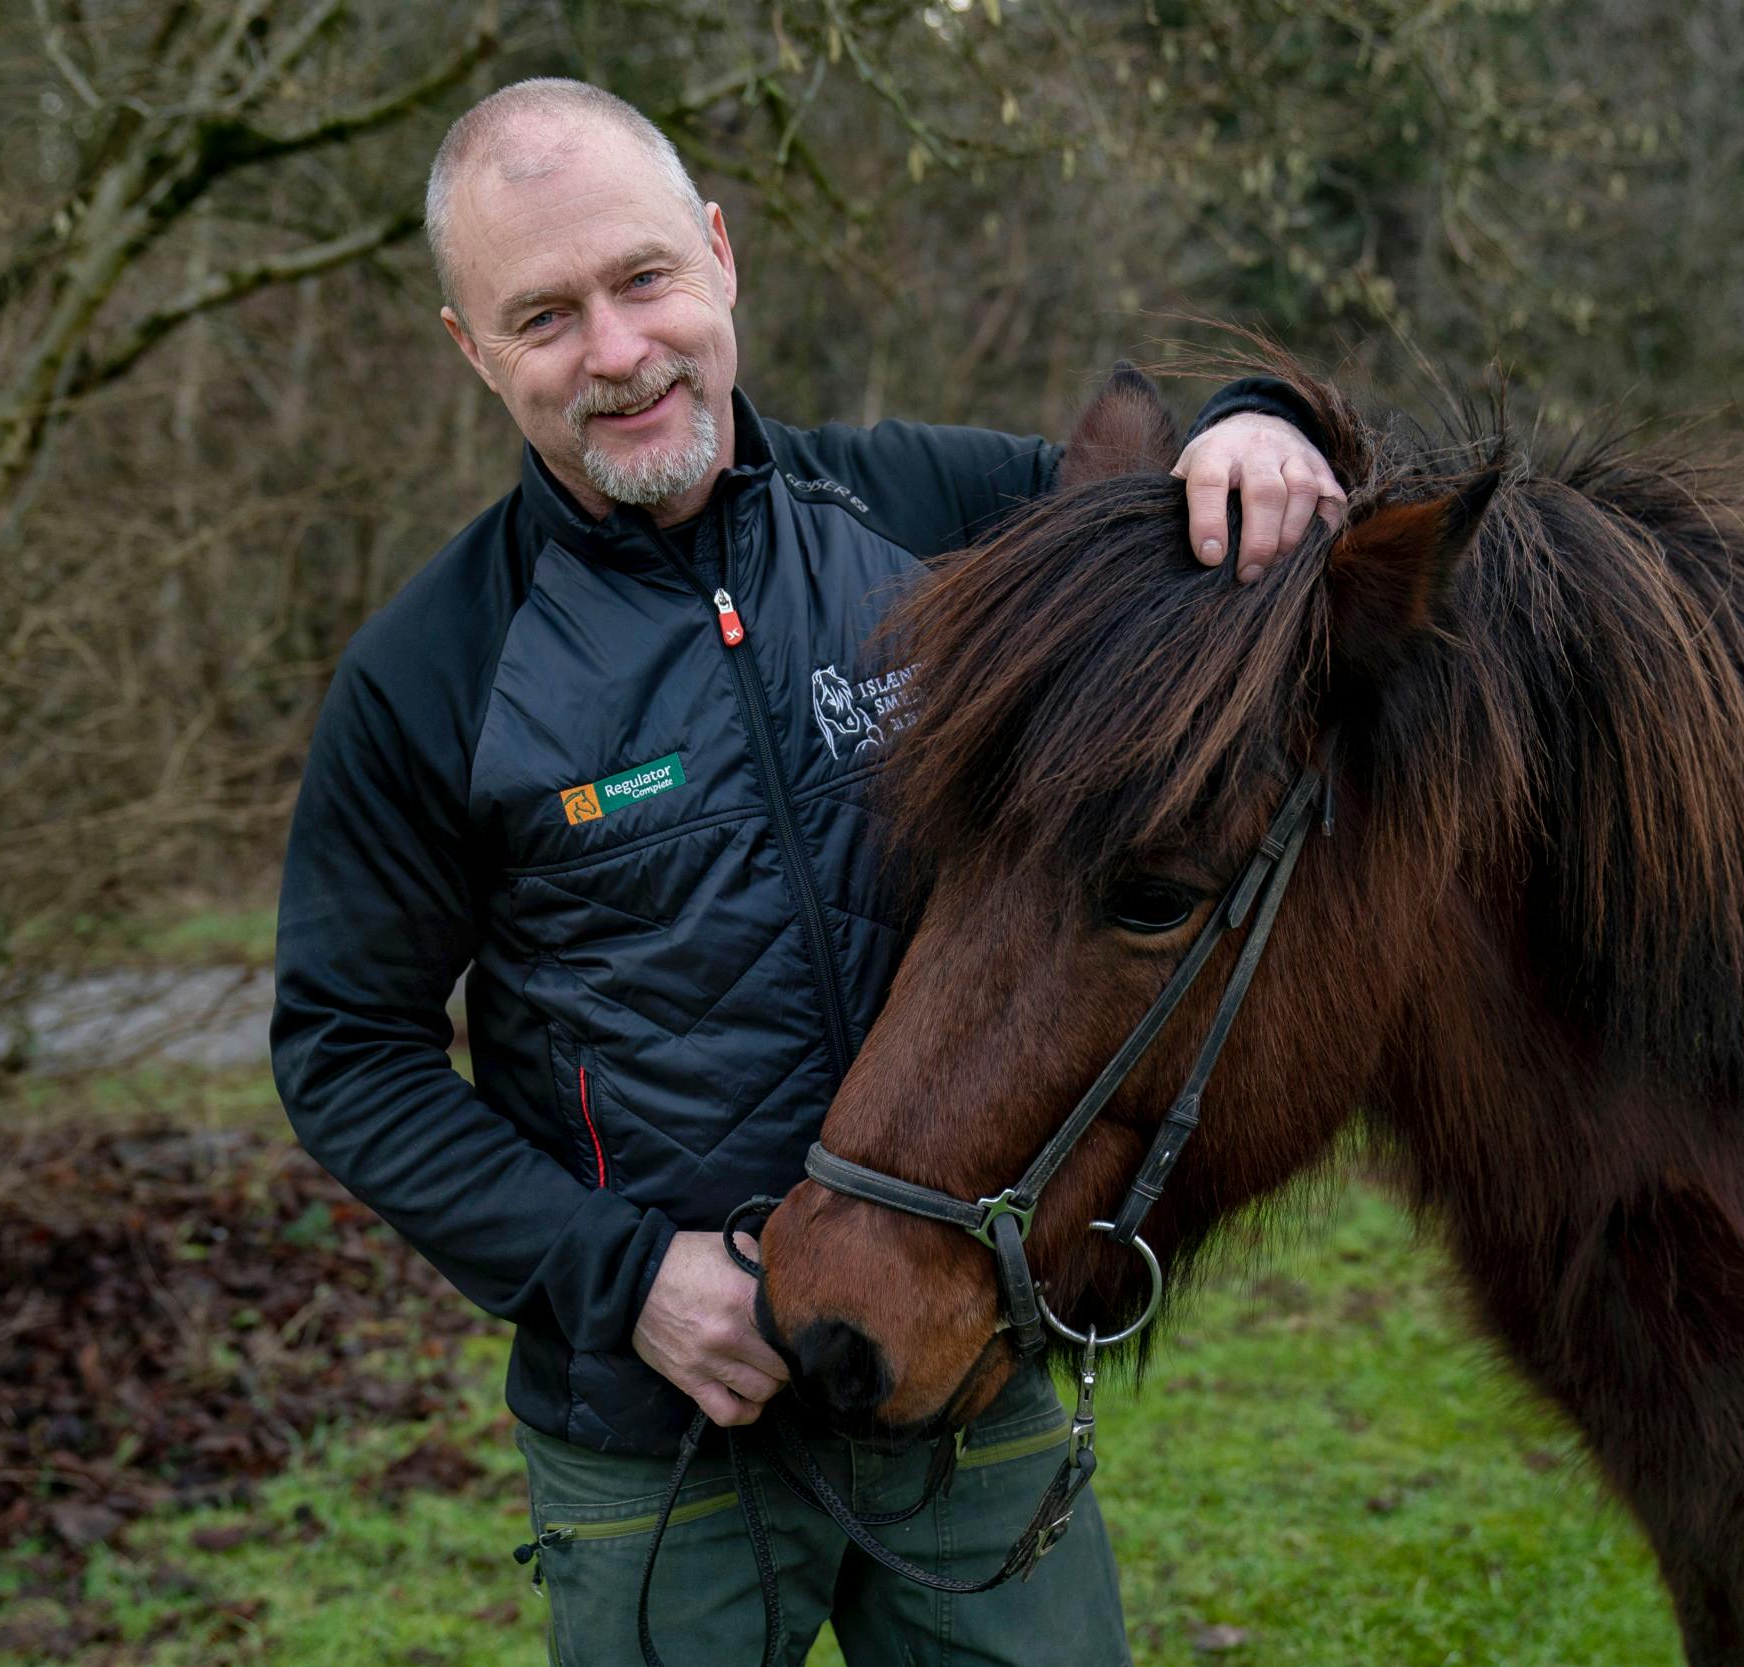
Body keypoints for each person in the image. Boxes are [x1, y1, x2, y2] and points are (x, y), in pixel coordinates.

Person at [271, 77, 1343, 1666]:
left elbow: (1190, 498)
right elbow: (344, 1053)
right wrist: (620, 1278)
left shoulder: (938, 517)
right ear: (472, 349)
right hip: (659, 1441)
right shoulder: (432, 673)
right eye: (546, 316)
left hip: (962, 1381)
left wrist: (1264, 412)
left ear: (718, 253)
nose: (619, 353)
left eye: (642, 280)